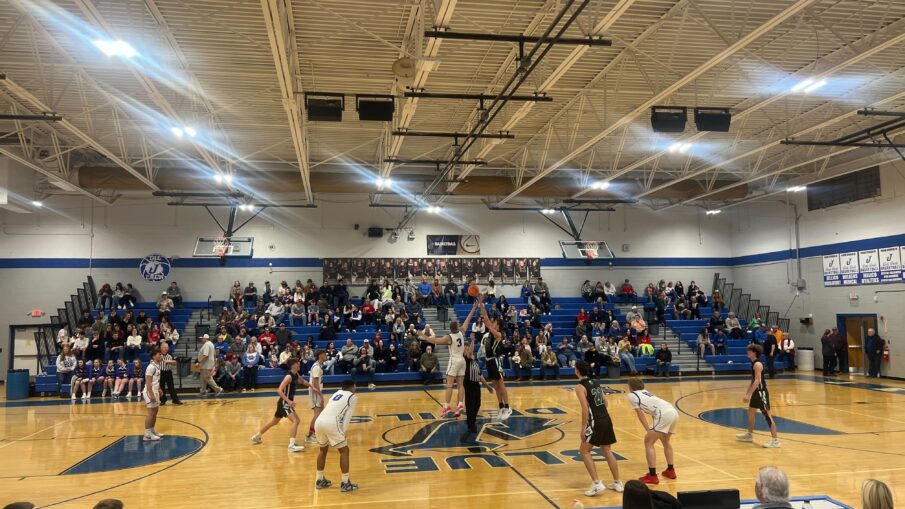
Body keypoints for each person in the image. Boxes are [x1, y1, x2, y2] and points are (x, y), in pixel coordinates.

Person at [418, 300, 478, 417]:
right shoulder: (461, 331)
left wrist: (423, 335)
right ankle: (460, 403)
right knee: (461, 385)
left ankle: (446, 406)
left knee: (449, 384)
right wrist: (473, 308)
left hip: (454, 360)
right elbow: (468, 320)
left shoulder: (449, 337)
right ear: (457, 327)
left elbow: (434, 341)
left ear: (450, 329)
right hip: (462, 360)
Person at [575, 360, 623, 496]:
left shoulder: (580, 387)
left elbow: (585, 409)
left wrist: (583, 427)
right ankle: (618, 482)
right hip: (606, 418)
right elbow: (606, 402)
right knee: (607, 450)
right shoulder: (596, 382)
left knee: (584, 451)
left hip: (596, 421)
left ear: (577, 371)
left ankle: (596, 484)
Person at [250, 359, 312, 452]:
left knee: (274, 422)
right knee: (296, 421)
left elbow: (302, 381)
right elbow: (279, 390)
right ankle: (291, 446)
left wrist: (313, 387)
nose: (299, 364)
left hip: (283, 403)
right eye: (297, 363)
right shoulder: (288, 377)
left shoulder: (296, 374)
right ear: (292, 365)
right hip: (284, 403)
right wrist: (289, 401)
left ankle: (257, 436)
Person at [626, 378, 677, 485]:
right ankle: (670, 471)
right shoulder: (646, 393)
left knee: (648, 442)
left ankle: (652, 476)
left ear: (631, 387)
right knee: (665, 442)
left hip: (663, 414)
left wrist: (648, 429)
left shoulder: (632, 395)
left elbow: (640, 414)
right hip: (673, 412)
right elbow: (654, 413)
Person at [314, 380, 359, 492]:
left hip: (319, 421)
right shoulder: (352, 396)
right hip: (332, 423)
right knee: (344, 451)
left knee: (322, 450)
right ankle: (345, 483)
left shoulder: (336, 393)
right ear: (352, 387)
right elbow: (347, 416)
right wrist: (342, 432)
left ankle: (319, 480)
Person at [737, 344, 780, 448]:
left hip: (761, 392)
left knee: (767, 415)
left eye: (749, 351)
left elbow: (757, 381)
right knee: (751, 411)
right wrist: (747, 393)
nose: (747, 352)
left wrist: (749, 394)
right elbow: (752, 380)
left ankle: (775, 440)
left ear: (754, 352)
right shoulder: (753, 363)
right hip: (756, 392)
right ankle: (749, 435)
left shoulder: (757, 364)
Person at [477, 301, 511, 421]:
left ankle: (507, 407)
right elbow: (486, 318)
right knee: (495, 385)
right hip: (488, 361)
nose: (493, 323)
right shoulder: (491, 331)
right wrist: (481, 305)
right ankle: (501, 406)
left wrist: (487, 322)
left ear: (498, 325)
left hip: (495, 361)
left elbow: (487, 322)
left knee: (501, 385)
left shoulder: (498, 334)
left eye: (495, 322)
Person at [462, 340, 495, 442]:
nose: (467, 349)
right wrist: (472, 340)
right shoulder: (465, 357)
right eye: (466, 347)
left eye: (468, 347)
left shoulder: (474, 360)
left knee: (477, 404)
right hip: (469, 383)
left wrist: (488, 386)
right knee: (470, 404)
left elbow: (480, 375)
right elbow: (470, 353)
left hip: (476, 383)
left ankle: (472, 421)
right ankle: (471, 424)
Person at [142, 348, 164, 441]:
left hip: (155, 391)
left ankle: (152, 430)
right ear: (154, 356)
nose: (161, 356)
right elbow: (148, 382)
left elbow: (156, 380)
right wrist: (151, 394)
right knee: (151, 413)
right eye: (159, 354)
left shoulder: (157, 366)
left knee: (155, 412)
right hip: (149, 391)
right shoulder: (151, 367)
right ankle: (147, 434)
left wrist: (159, 389)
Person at [305, 350, 327, 444]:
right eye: (325, 354)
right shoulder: (316, 367)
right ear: (320, 355)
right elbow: (315, 383)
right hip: (315, 392)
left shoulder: (318, 366)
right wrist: (321, 396)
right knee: (317, 414)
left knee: (320, 413)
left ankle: (316, 433)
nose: (326, 355)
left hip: (316, 392)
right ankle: (310, 436)